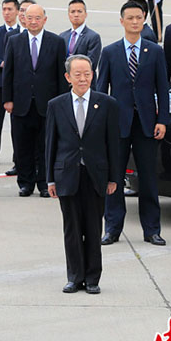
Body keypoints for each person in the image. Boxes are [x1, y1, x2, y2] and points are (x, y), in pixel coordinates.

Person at [96, 0, 170, 247]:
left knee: (148, 178)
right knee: (114, 177)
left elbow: (163, 88)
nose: (135, 22)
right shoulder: (110, 52)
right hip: (117, 124)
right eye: (130, 18)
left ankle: (152, 230)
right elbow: (102, 90)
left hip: (147, 124)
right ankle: (112, 228)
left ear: (144, 20)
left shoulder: (155, 51)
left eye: (139, 18)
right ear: (122, 21)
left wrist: (162, 120)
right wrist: (101, 123)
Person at [45, 55, 119, 295]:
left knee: (93, 228)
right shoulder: (56, 105)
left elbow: (113, 144)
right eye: (77, 74)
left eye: (87, 74)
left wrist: (114, 177)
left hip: (96, 175)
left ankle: (92, 278)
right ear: (68, 77)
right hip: (67, 175)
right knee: (72, 229)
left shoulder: (106, 104)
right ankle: (74, 277)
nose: (83, 79)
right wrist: (50, 178)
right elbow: (51, 144)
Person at [3, 5, 69, 197]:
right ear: (23, 18)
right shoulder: (14, 41)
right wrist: (7, 99)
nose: (33, 21)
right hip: (21, 103)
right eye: (29, 17)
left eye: (37, 18)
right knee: (22, 145)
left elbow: (61, 75)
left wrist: (61, 103)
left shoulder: (56, 42)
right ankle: (25, 183)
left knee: (45, 146)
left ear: (44, 20)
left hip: (47, 104)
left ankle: (44, 183)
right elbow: (8, 72)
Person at [0, 0, 22, 166]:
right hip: (1, 83)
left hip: (18, 85)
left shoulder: (22, 33)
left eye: (10, 9)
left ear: (17, 11)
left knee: (17, 123)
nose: (6, 13)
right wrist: (0, 63)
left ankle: (18, 156)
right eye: (4, 9)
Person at [59, 0, 102, 70]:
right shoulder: (62, 36)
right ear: (68, 15)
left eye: (79, 11)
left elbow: (92, 63)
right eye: (73, 12)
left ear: (86, 14)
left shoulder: (93, 37)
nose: (76, 15)